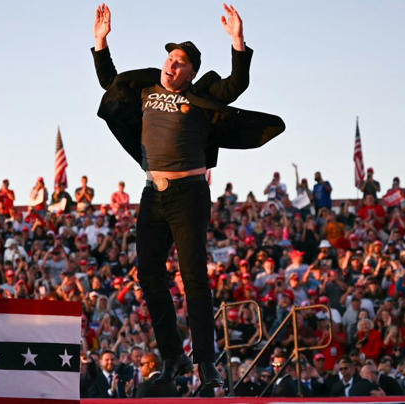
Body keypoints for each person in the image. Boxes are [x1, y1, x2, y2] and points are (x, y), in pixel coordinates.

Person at [91, 2, 282, 390]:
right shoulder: (146, 89)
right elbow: (110, 83)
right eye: (169, 59)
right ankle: (172, 355)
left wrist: (238, 42)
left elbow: (235, 85)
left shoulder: (199, 94)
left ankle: (206, 361)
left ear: (191, 72)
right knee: (149, 275)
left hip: (189, 194)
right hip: (152, 194)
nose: (171, 65)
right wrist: (101, 42)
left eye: (180, 63)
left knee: (194, 278)